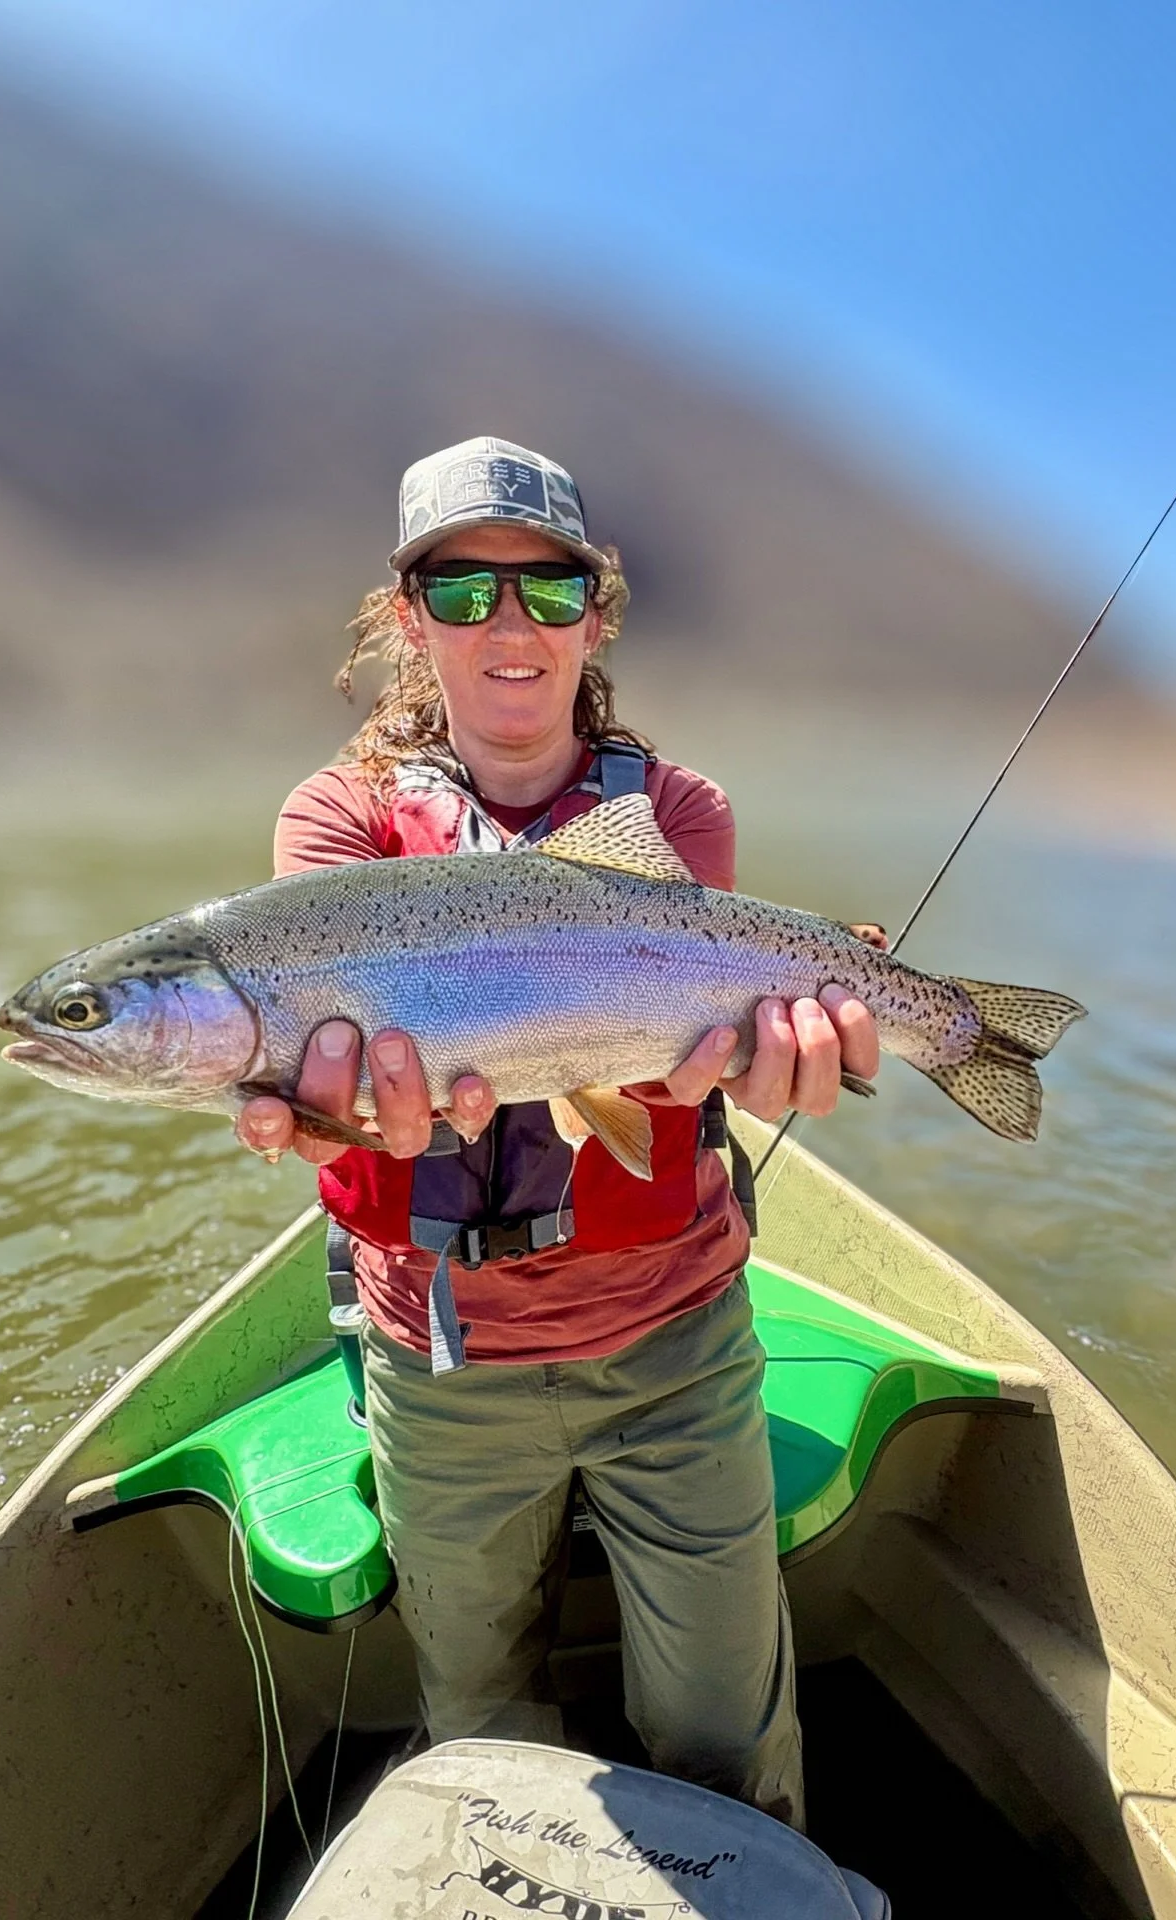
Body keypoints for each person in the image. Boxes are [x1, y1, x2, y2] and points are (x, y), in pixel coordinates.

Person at [236, 437, 882, 1831]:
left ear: (598, 612)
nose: (510, 622)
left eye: (549, 587)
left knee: (723, 1733)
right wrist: (327, 1114)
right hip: (441, 1357)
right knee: (475, 1718)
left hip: (676, 1343)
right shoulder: (338, 825)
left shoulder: (678, 814)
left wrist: (759, 1068)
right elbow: (329, 1081)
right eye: (463, 591)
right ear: (410, 621)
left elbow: (650, 1064)